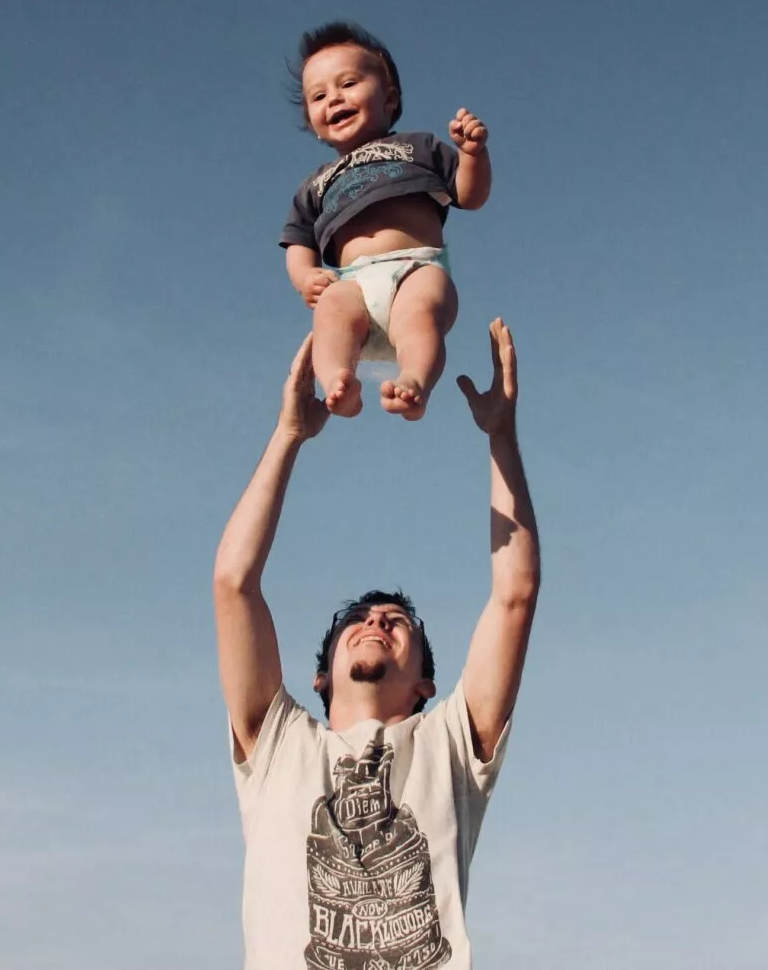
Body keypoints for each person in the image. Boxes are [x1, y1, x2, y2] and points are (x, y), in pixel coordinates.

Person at [213, 320, 540, 969]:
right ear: (320, 676)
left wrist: (501, 436)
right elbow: (234, 583)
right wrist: (288, 436)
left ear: (425, 684)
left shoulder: (451, 743)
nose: (376, 621)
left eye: (398, 621)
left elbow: (515, 593)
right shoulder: (279, 747)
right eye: (357, 619)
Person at [280, 21, 492, 421]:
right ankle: (338, 381)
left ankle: (414, 381)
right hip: (352, 281)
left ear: (389, 97)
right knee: (330, 313)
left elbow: (469, 196)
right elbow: (298, 240)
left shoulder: (418, 147)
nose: (334, 99)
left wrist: (472, 156)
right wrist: (305, 277)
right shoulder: (316, 184)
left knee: (419, 317)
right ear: (312, 123)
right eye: (319, 95)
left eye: (348, 84)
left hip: (417, 266)